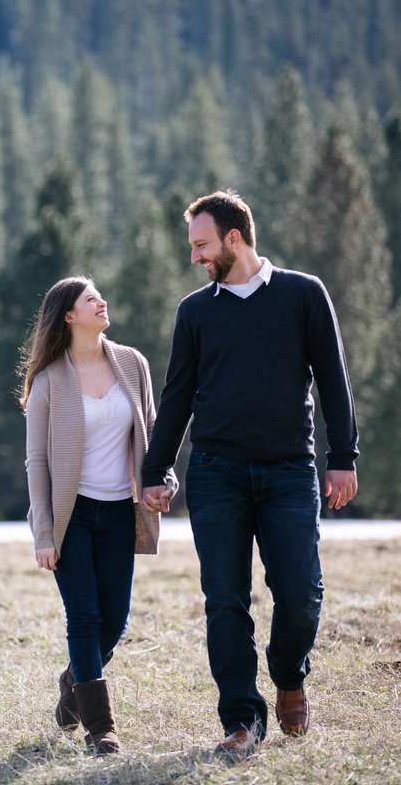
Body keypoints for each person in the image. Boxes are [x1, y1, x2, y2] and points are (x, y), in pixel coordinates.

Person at [140, 190, 358, 759]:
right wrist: (155, 468)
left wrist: (343, 457)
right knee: (225, 599)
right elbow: (178, 395)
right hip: (217, 474)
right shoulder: (195, 312)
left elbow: (333, 380)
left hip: (290, 471)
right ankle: (241, 719)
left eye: (201, 245)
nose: (194, 257)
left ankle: (289, 676)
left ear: (234, 239)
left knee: (300, 590)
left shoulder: (303, 295)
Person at [22, 276, 176, 755]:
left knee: (116, 620)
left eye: (99, 296)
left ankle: (74, 681)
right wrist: (44, 533)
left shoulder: (132, 364)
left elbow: (152, 437)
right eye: (91, 298)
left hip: (118, 511)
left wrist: (163, 480)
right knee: (84, 618)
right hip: (71, 516)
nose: (101, 301)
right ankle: (100, 728)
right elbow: (37, 463)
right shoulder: (49, 382)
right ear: (69, 315)